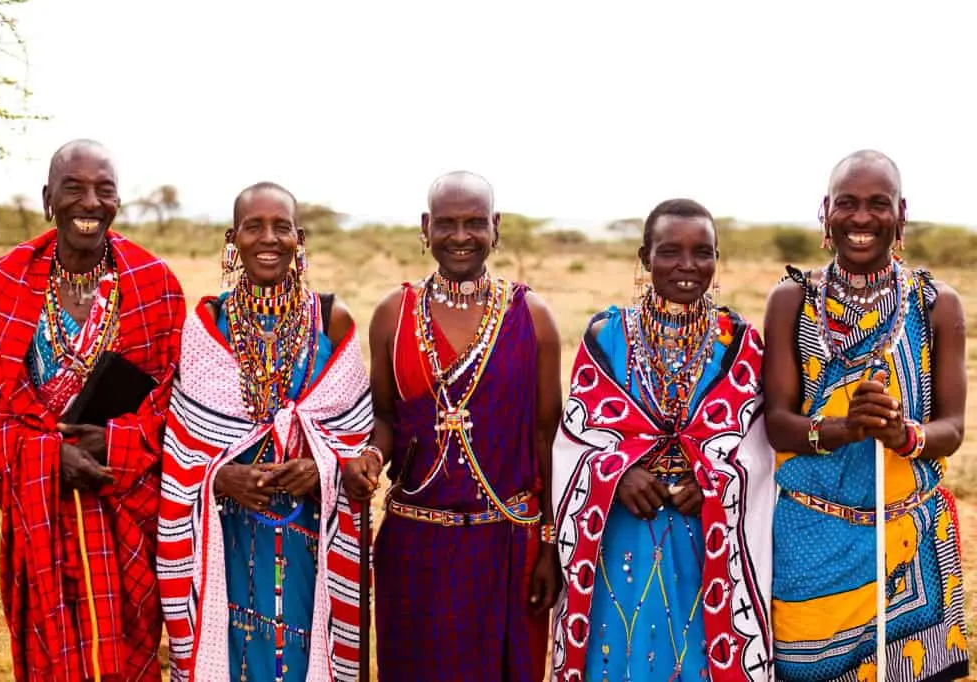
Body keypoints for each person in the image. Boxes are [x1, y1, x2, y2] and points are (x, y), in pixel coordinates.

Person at [0, 139, 186, 681]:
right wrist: (49, 456)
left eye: (104, 191)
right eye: (74, 188)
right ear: (47, 200)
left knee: (128, 646)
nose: (90, 203)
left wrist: (117, 442)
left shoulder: (153, 284)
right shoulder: (8, 282)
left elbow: (176, 396)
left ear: (117, 202)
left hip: (123, 501)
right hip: (43, 501)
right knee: (49, 645)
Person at [156, 182, 378, 682]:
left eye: (282, 227)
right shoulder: (208, 324)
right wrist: (219, 477)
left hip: (309, 538)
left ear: (300, 237)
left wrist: (322, 467)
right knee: (233, 653)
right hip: (226, 533)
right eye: (254, 227)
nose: (269, 238)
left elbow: (356, 437)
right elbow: (184, 442)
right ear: (233, 239)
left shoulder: (332, 319)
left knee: (303, 655)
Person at [764, 151, 970, 681]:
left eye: (878, 205)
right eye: (847, 204)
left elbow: (952, 430)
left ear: (901, 216)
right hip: (810, 535)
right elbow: (778, 422)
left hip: (909, 540)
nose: (861, 218)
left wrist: (904, 434)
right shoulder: (792, 301)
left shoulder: (934, 304)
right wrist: (843, 430)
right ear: (824, 213)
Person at [551, 198, 775, 681]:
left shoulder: (741, 345)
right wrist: (618, 475)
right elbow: (574, 438)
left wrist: (716, 483)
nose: (688, 266)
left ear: (718, 259)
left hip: (707, 539)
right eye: (671, 251)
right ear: (644, 257)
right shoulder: (606, 337)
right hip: (621, 533)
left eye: (703, 252)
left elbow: (759, 445)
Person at [366, 170, 562, 681]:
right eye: (447, 223)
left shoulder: (531, 316)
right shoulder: (395, 313)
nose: (460, 236)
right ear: (425, 228)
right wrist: (368, 457)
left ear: (495, 228)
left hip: (506, 546)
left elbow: (548, 437)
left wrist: (549, 545)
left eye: (475, 222)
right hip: (415, 544)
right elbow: (385, 418)